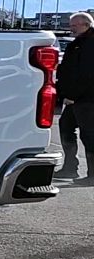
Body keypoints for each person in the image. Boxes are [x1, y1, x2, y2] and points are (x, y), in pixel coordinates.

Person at [55, 11, 94, 182]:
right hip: (75, 99)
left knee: (89, 135)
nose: (71, 29)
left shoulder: (90, 44)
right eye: (70, 26)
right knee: (65, 127)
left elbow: (87, 73)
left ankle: (92, 174)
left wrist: (72, 95)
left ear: (86, 25)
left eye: (74, 26)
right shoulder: (77, 44)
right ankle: (70, 167)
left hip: (87, 99)